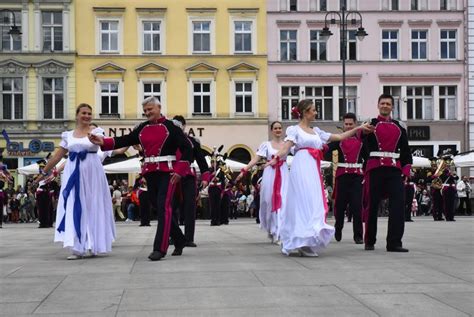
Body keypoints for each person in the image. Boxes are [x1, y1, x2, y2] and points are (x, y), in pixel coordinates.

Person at [89, 96, 193, 262]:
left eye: (150, 109)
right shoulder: (142, 128)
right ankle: (179, 239)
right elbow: (126, 140)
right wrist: (103, 141)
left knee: (163, 206)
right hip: (150, 173)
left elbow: (188, 149)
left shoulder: (172, 127)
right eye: (145, 110)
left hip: (168, 173)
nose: (147, 113)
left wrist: (180, 171)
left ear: (159, 108)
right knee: (159, 208)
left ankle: (160, 248)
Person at [268, 99, 373, 257]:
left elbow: (339, 136)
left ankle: (308, 240)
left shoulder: (316, 131)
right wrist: (276, 157)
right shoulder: (294, 129)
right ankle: (299, 240)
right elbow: (286, 147)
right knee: (303, 201)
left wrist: (358, 128)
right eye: (313, 110)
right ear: (304, 112)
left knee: (314, 202)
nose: (316, 112)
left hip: (313, 168)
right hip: (301, 166)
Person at [36, 104, 115, 260]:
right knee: (74, 204)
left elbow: (106, 144)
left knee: (93, 205)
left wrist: (98, 140)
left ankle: (94, 245)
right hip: (73, 172)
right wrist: (44, 173)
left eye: (89, 113)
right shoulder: (68, 135)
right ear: (77, 115)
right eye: (84, 113)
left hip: (92, 172)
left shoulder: (97, 132)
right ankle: (78, 247)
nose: (87, 116)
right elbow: (57, 157)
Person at [362, 94, 413, 252]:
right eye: (382, 103)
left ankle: (394, 242)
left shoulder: (399, 127)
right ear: (378, 105)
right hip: (375, 169)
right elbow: (362, 146)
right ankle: (369, 240)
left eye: (388, 104)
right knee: (372, 205)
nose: (385, 106)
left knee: (398, 205)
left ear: (392, 107)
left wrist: (406, 168)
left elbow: (405, 150)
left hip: (394, 170)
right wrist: (363, 133)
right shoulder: (370, 124)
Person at [237, 121, 289, 242]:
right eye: (275, 128)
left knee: (283, 200)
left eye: (280, 128)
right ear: (272, 130)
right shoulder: (266, 145)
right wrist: (244, 170)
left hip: (284, 172)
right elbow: (256, 159)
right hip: (270, 173)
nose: (278, 130)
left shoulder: (287, 144)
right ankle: (271, 228)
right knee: (269, 201)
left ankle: (279, 232)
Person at [324, 113, 366, 244]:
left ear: (356, 124)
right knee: (340, 206)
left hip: (357, 177)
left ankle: (358, 235)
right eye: (346, 124)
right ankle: (338, 228)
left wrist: (366, 173)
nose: (348, 127)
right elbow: (326, 150)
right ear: (343, 125)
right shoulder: (339, 139)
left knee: (357, 206)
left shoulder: (362, 140)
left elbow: (368, 156)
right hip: (342, 176)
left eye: (350, 124)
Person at [172, 115, 210, 246]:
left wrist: (205, 178)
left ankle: (188, 238)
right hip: (172, 177)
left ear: (183, 126)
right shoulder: (168, 141)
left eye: (179, 125)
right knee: (171, 208)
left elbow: (202, 161)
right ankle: (175, 236)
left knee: (190, 208)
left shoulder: (192, 142)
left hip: (188, 177)